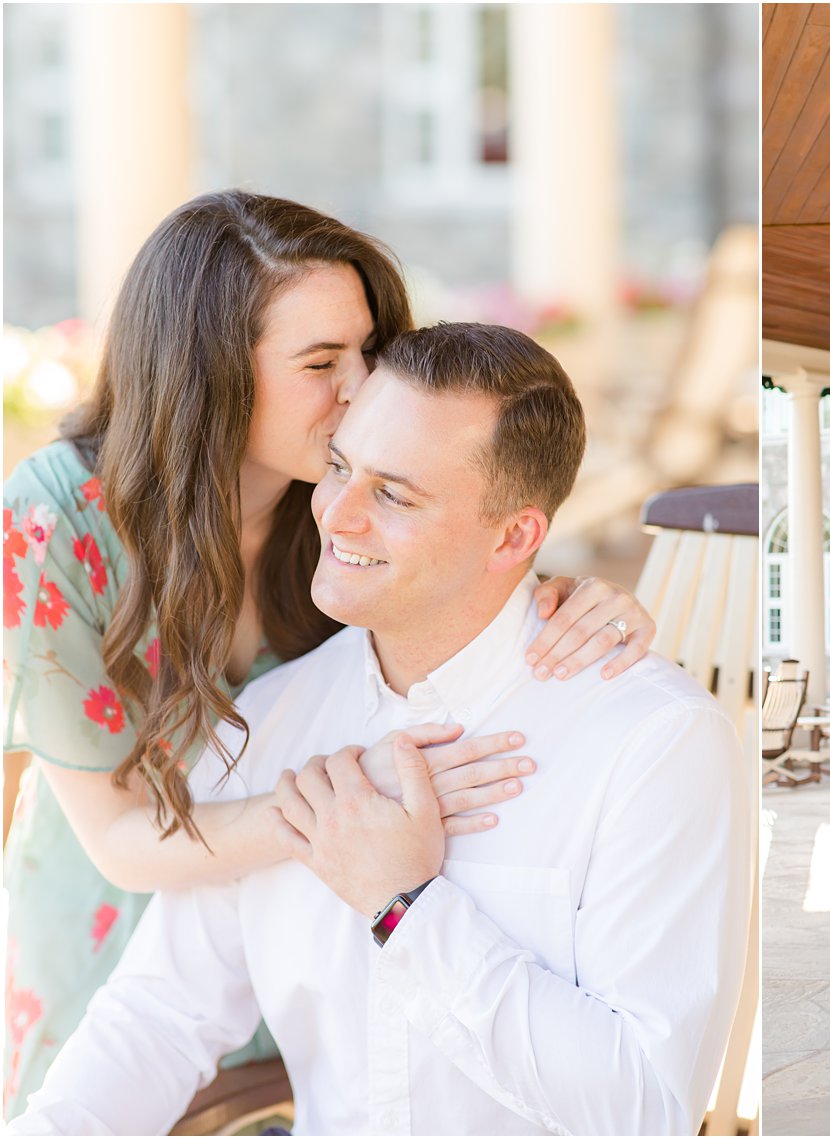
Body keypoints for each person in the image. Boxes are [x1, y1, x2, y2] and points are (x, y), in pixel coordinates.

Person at [1, 191, 656, 1119]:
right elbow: (119, 840)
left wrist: (566, 599)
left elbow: (468, 560)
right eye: (320, 363)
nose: (361, 390)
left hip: (309, 913)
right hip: (120, 927)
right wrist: (355, 806)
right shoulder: (55, 520)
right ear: (209, 374)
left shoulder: (339, 511)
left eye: (367, 354)